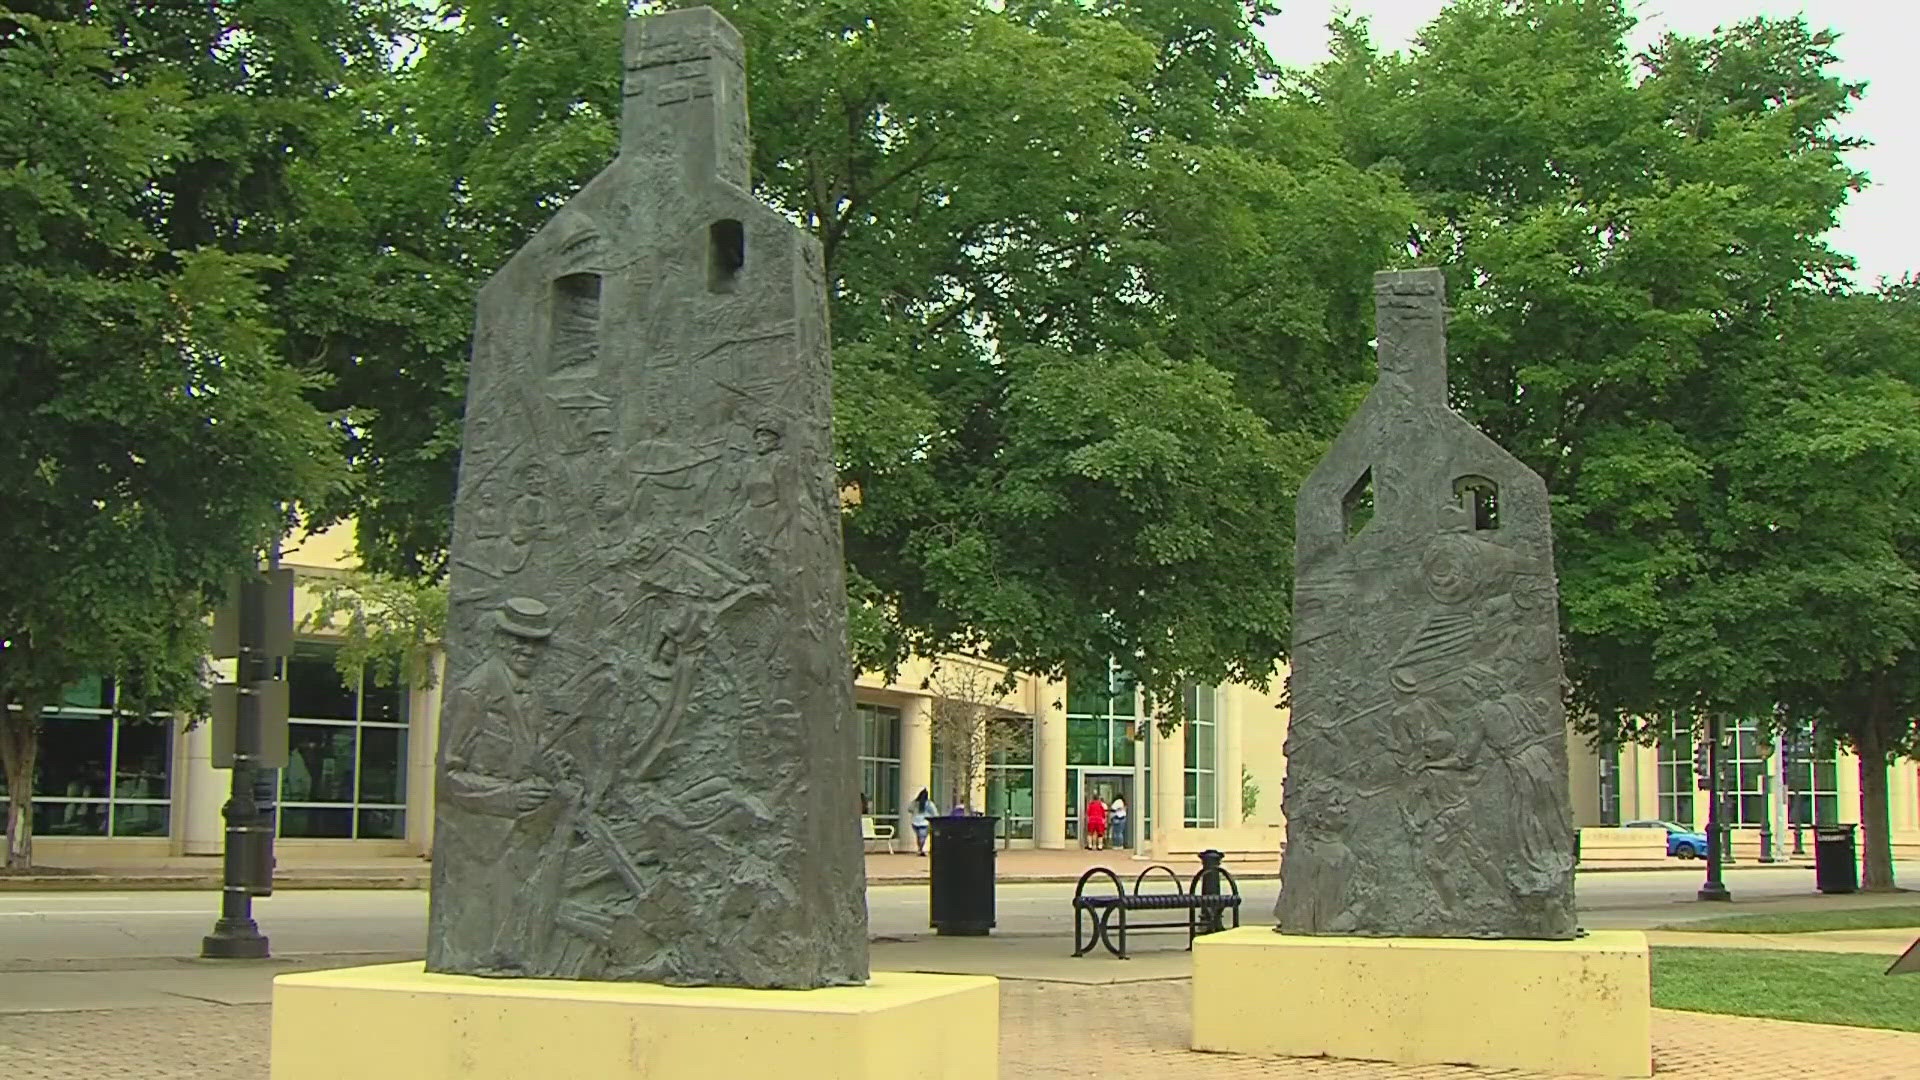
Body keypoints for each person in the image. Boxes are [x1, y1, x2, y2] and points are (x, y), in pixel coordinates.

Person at [908, 788, 939, 856]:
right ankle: (920, 849)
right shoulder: (929, 804)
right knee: (923, 837)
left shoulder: (915, 802)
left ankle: (920, 849)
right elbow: (935, 812)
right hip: (925, 822)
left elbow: (909, 809)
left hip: (915, 822)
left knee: (919, 836)